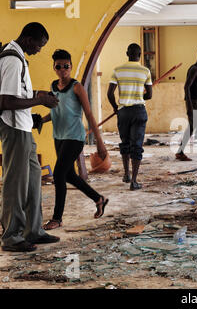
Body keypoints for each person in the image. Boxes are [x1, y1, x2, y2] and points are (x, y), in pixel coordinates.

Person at [0, 22, 60, 252]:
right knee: (16, 183)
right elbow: (6, 102)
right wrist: (40, 100)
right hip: (13, 128)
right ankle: (11, 236)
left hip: (24, 127)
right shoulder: (12, 60)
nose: (39, 50)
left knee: (33, 179)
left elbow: (19, 94)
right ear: (27, 39)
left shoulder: (19, 58)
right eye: (39, 45)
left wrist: (38, 95)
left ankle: (33, 230)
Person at [41, 49, 109, 230]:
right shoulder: (53, 86)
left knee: (58, 174)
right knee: (69, 174)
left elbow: (88, 113)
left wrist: (100, 142)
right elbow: (56, 111)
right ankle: (99, 199)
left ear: (70, 67)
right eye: (59, 66)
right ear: (54, 67)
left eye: (66, 66)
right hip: (59, 136)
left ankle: (57, 218)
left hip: (75, 137)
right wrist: (42, 120)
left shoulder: (76, 87)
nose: (63, 69)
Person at [107, 43, 152, 190]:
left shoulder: (117, 70)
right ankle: (134, 181)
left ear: (127, 53)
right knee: (136, 145)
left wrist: (116, 108)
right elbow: (149, 95)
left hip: (124, 112)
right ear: (140, 54)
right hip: (139, 111)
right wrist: (139, 94)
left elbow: (109, 94)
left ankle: (126, 174)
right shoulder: (145, 71)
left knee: (125, 142)